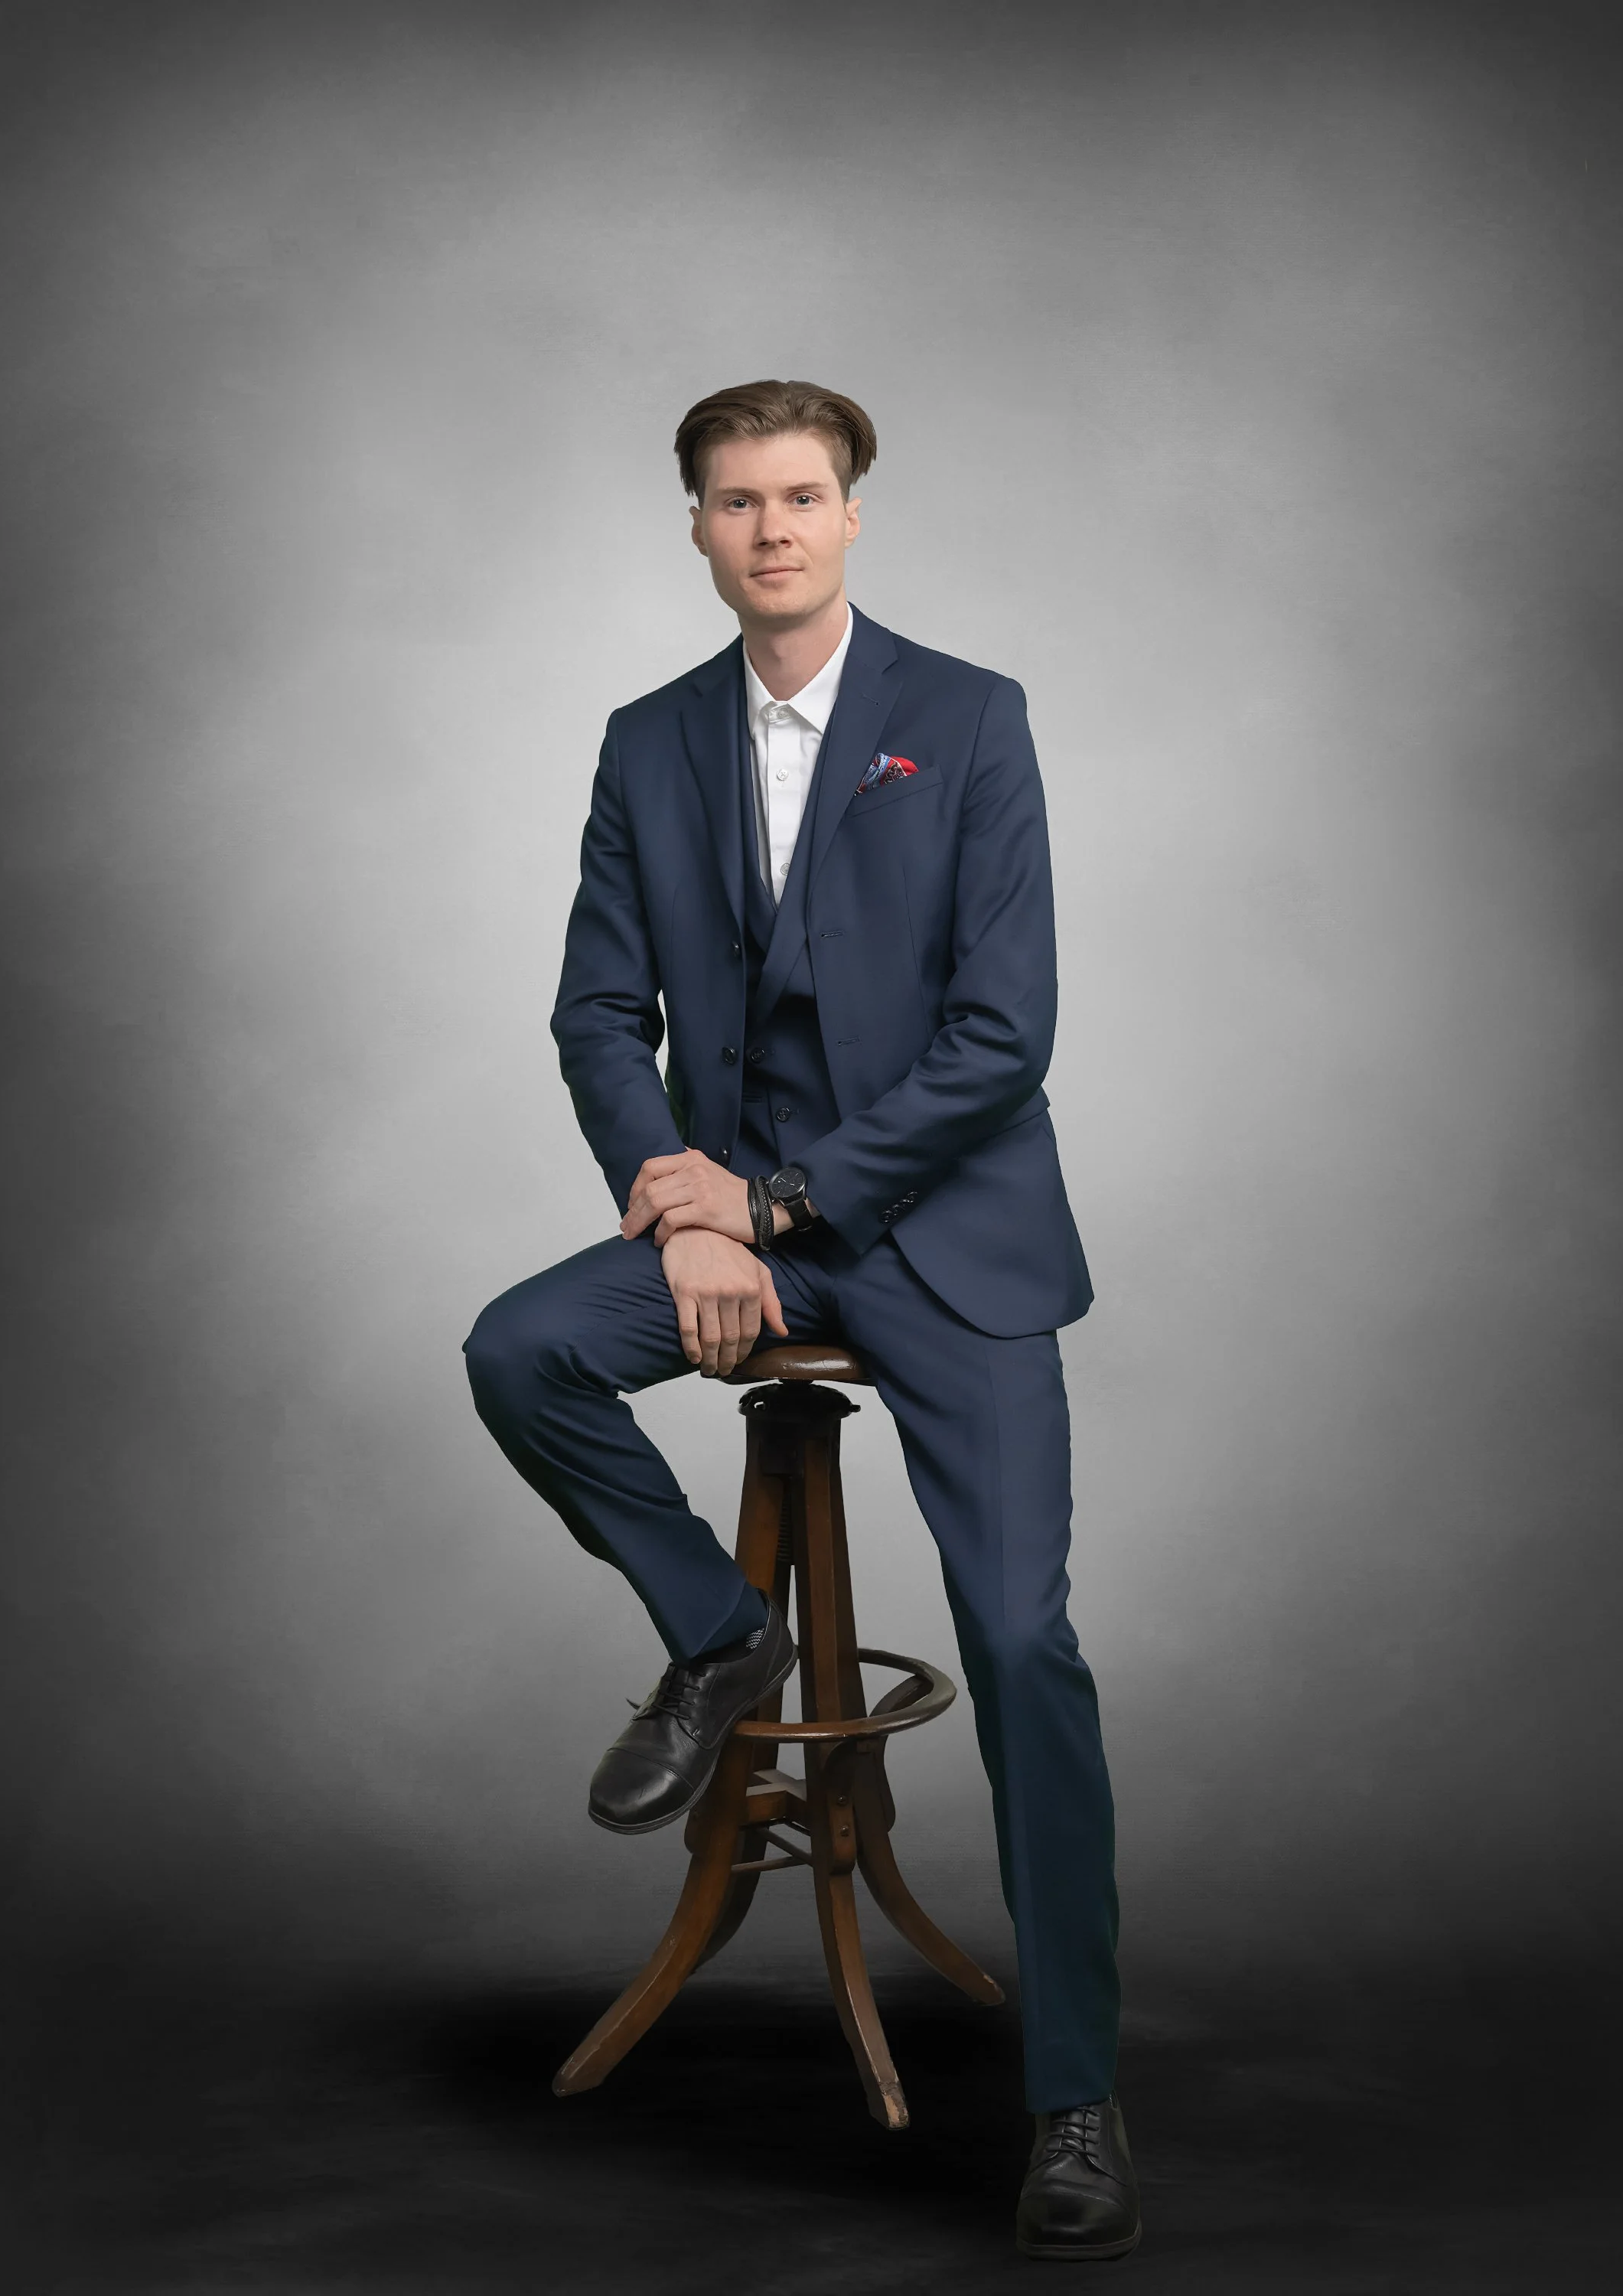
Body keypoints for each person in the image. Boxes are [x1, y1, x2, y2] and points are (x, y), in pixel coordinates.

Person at [463, 380, 1137, 2260]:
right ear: (696, 526)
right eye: (735, 501)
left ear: (853, 516)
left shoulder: (970, 718)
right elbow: (599, 1016)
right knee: (519, 1349)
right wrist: (685, 1197)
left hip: (942, 1242)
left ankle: (1078, 2096)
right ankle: (721, 1636)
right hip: (739, 1235)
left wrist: (765, 1203)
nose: (770, 528)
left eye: (801, 496)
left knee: (1025, 1642)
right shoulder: (647, 741)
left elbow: (1003, 1037)